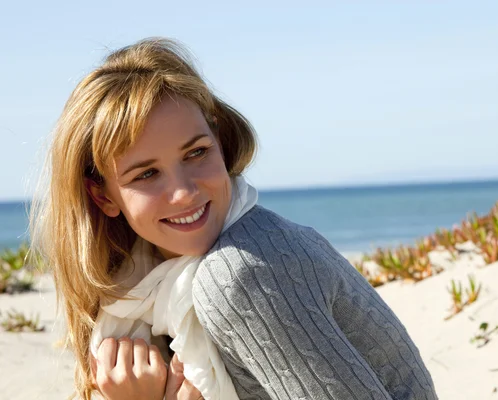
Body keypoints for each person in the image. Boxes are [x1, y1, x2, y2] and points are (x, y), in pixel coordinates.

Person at [30, 37, 437, 400]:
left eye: (196, 153)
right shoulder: (139, 291)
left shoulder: (239, 275)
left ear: (220, 143)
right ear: (102, 196)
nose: (185, 192)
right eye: (147, 174)